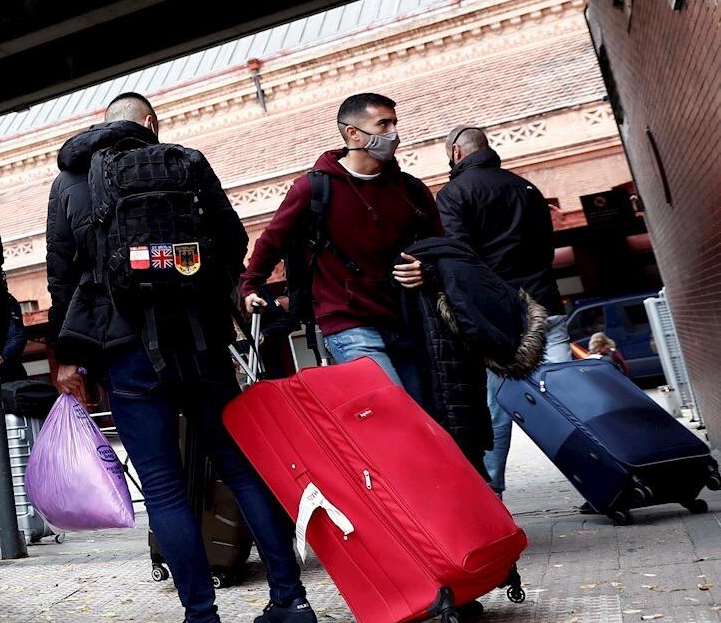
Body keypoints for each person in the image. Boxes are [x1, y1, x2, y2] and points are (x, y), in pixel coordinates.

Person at [46, 92, 313, 623]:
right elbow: (233, 242)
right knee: (240, 469)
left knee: (164, 486)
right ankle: (290, 599)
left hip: (125, 355)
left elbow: (62, 278)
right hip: (199, 343)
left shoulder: (68, 183)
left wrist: (71, 356)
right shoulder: (185, 163)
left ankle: (200, 614)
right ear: (150, 123)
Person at [240, 92, 440, 405]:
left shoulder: (410, 189)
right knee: (396, 411)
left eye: (394, 123)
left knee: (426, 412)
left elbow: (440, 248)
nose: (393, 134)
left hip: (405, 319)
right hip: (347, 322)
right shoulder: (313, 188)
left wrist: (426, 269)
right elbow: (272, 239)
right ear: (352, 132)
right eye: (383, 124)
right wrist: (250, 286)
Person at [437, 126, 571, 497]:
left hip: (502, 318)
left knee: (497, 408)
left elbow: (461, 259)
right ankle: (602, 473)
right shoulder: (526, 188)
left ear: (457, 154)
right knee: (569, 398)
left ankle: (489, 492)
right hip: (547, 306)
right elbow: (547, 244)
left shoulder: (453, 194)